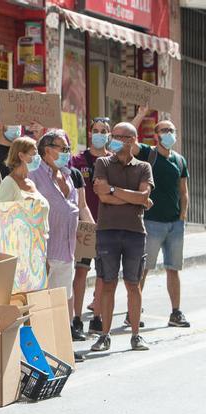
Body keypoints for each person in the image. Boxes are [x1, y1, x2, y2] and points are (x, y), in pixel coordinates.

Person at [90, 122, 154, 353]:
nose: (113, 139)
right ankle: (104, 335)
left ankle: (136, 335)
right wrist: (134, 198)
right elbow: (103, 197)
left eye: (120, 136)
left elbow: (143, 195)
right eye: (113, 135)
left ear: (132, 140)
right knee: (108, 283)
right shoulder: (103, 162)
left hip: (135, 232)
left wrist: (114, 190)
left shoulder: (144, 166)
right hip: (107, 231)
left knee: (133, 284)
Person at [132, 108, 190, 328]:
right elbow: (130, 139)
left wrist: (183, 215)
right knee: (143, 268)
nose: (168, 134)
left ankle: (175, 312)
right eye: (164, 130)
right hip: (151, 222)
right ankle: (133, 311)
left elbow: (183, 189)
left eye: (171, 130)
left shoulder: (180, 160)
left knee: (173, 268)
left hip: (175, 224)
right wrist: (141, 115)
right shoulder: (149, 153)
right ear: (156, 135)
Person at [30, 131, 89, 341]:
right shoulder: (33, 175)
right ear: (48, 150)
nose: (67, 153)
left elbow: (79, 207)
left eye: (67, 149)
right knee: (42, 305)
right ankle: (45, 348)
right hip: (44, 252)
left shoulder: (67, 174)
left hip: (67, 250)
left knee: (63, 301)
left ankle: (63, 347)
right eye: (63, 149)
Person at [70, 118, 111, 335]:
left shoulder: (114, 161)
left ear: (109, 135)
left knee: (104, 274)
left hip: (108, 226)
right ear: (89, 133)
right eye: (95, 130)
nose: (99, 134)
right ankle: (77, 317)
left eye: (103, 131)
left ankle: (97, 316)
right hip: (85, 227)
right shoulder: (77, 160)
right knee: (81, 271)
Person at [0, 136, 49, 210]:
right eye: (34, 154)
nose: (38, 158)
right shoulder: (9, 183)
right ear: (21, 156)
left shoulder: (30, 182)